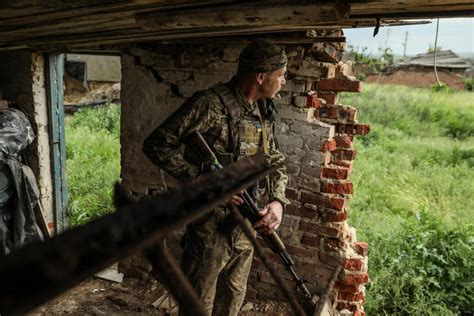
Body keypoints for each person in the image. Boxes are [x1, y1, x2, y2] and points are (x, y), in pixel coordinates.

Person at [143, 40, 290, 316]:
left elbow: (275, 161)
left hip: (246, 222)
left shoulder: (262, 110)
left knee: (233, 298)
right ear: (261, 76)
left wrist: (278, 201)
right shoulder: (210, 104)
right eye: (280, 75)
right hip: (209, 227)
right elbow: (157, 143)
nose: (283, 81)